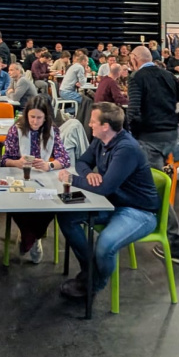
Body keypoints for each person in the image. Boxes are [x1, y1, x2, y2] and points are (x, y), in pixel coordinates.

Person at [56, 102, 160, 300]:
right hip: (111, 202)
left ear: (105, 126)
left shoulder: (126, 149)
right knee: (66, 216)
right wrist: (88, 175)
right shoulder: (101, 140)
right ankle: (91, 273)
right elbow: (82, 162)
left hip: (138, 211)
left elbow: (104, 188)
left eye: (93, 121)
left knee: (105, 245)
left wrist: (72, 179)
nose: (89, 124)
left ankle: (94, 283)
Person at [126, 45, 179, 265]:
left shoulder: (137, 78)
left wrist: (131, 133)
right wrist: (174, 121)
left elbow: (133, 111)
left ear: (134, 59)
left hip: (150, 139)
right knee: (149, 183)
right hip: (170, 137)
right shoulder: (168, 75)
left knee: (156, 190)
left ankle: (176, 245)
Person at [1, 96, 70, 262]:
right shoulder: (16, 129)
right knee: (17, 205)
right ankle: (31, 237)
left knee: (50, 205)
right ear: (26, 115)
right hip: (20, 178)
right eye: (32, 117)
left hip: (43, 179)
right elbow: (4, 160)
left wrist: (49, 165)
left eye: (39, 117)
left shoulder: (52, 131)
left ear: (46, 117)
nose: (35, 121)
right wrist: (17, 162)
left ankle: (30, 237)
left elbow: (65, 159)